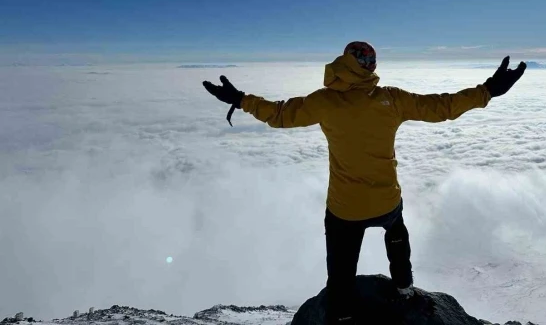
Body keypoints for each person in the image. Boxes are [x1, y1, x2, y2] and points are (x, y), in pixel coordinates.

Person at [203, 42, 526, 324]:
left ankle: (342, 315)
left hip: (344, 207)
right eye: (369, 60)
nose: (371, 64)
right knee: (396, 231)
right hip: (386, 200)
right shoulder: (392, 98)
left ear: (343, 64)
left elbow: (280, 115)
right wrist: (488, 90)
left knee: (341, 270)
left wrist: (241, 99)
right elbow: (441, 107)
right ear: (366, 66)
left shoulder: (324, 101)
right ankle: (403, 286)